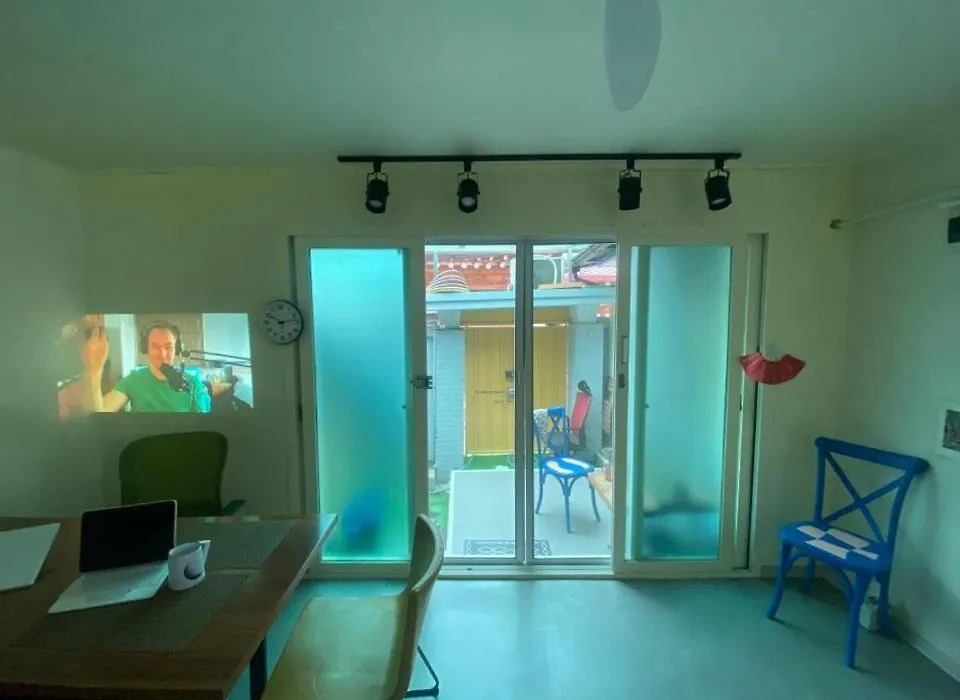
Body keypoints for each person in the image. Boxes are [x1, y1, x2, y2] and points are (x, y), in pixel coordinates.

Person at [81, 321, 211, 413]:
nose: (162, 354)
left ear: (176, 350)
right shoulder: (132, 380)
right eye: (155, 347)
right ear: (146, 348)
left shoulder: (192, 384)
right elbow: (101, 411)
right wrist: (95, 370)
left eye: (168, 347)